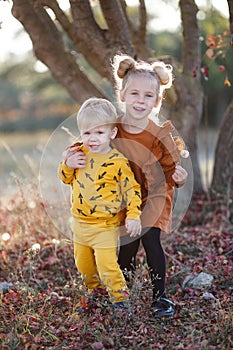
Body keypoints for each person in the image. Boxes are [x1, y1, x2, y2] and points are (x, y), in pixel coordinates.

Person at [111, 54, 188, 317]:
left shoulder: (159, 135)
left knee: (151, 239)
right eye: (134, 93)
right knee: (128, 246)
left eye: (147, 96)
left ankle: (160, 298)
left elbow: (171, 168)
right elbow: (93, 146)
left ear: (156, 101)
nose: (140, 100)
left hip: (155, 193)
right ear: (122, 95)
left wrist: (180, 177)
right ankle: (123, 296)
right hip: (125, 196)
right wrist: (74, 157)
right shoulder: (113, 129)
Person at [58, 97, 142, 311]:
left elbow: (132, 189)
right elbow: (65, 178)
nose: (92, 139)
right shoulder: (78, 154)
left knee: (107, 266)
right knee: (84, 265)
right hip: (80, 223)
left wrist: (133, 215)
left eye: (99, 133)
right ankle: (94, 294)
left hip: (105, 225)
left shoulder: (117, 162)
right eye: (87, 133)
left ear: (112, 133)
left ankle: (120, 300)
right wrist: (67, 165)